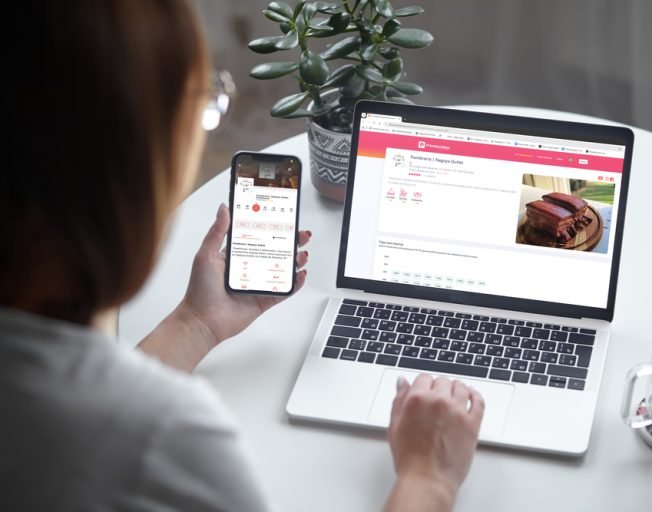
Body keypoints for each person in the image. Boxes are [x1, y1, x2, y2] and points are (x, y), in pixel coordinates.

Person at [0, 1, 485, 511]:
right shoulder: (165, 439)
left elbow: (81, 402)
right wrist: (429, 478)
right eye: (202, 101)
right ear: (126, 162)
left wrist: (197, 323)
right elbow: (109, 421)